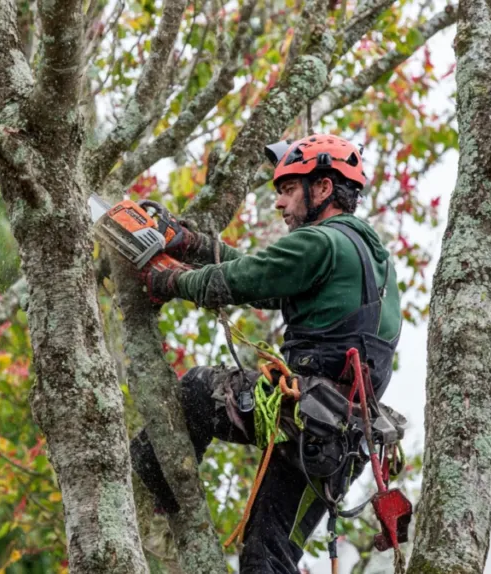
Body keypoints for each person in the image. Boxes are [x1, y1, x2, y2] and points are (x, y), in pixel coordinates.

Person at [129, 134, 403, 574]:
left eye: (289, 190)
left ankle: (147, 487)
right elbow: (272, 279)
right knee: (266, 558)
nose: (280, 204)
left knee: (196, 392)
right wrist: (193, 245)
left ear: (324, 188)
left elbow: (250, 279)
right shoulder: (372, 256)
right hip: (340, 441)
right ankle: (158, 491)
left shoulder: (322, 242)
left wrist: (168, 281)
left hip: (306, 417)